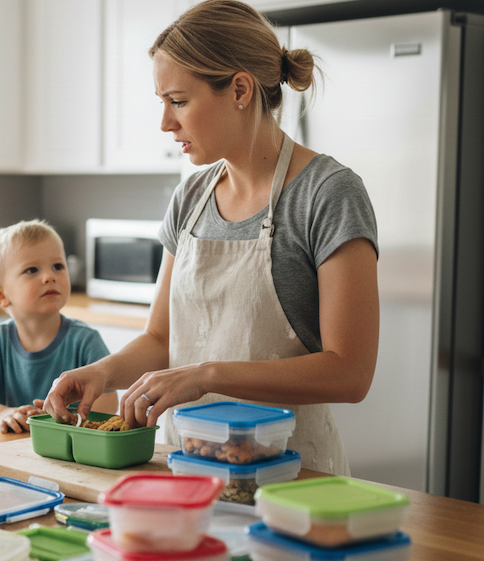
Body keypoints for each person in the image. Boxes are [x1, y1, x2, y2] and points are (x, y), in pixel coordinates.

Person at [43, 0, 379, 475]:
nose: (165, 122)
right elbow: (161, 338)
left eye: (178, 101)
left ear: (240, 89)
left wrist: (207, 376)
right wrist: (103, 371)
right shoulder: (192, 196)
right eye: (161, 102)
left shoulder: (327, 194)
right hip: (185, 467)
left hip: (292, 479)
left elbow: (350, 372)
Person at [0, 219, 119, 434]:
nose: (49, 277)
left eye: (58, 266)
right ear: (1, 295)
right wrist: (1, 413)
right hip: (14, 447)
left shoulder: (85, 340)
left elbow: (109, 398)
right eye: (32, 270)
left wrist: (64, 418)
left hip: (70, 449)